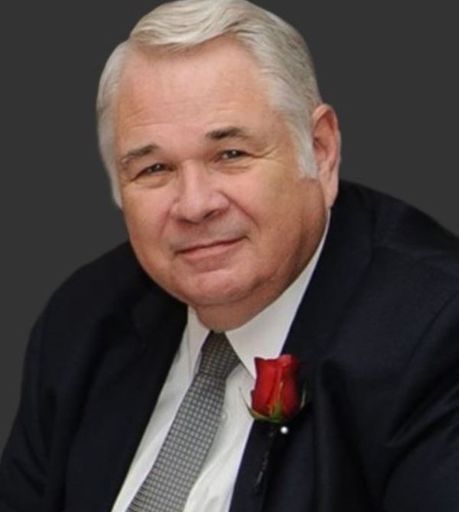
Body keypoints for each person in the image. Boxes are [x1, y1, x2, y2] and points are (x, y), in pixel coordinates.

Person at [1, 0, 458, 510]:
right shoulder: (84, 322)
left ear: (320, 150)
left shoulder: (438, 334)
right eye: (154, 169)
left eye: (231, 154)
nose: (195, 205)